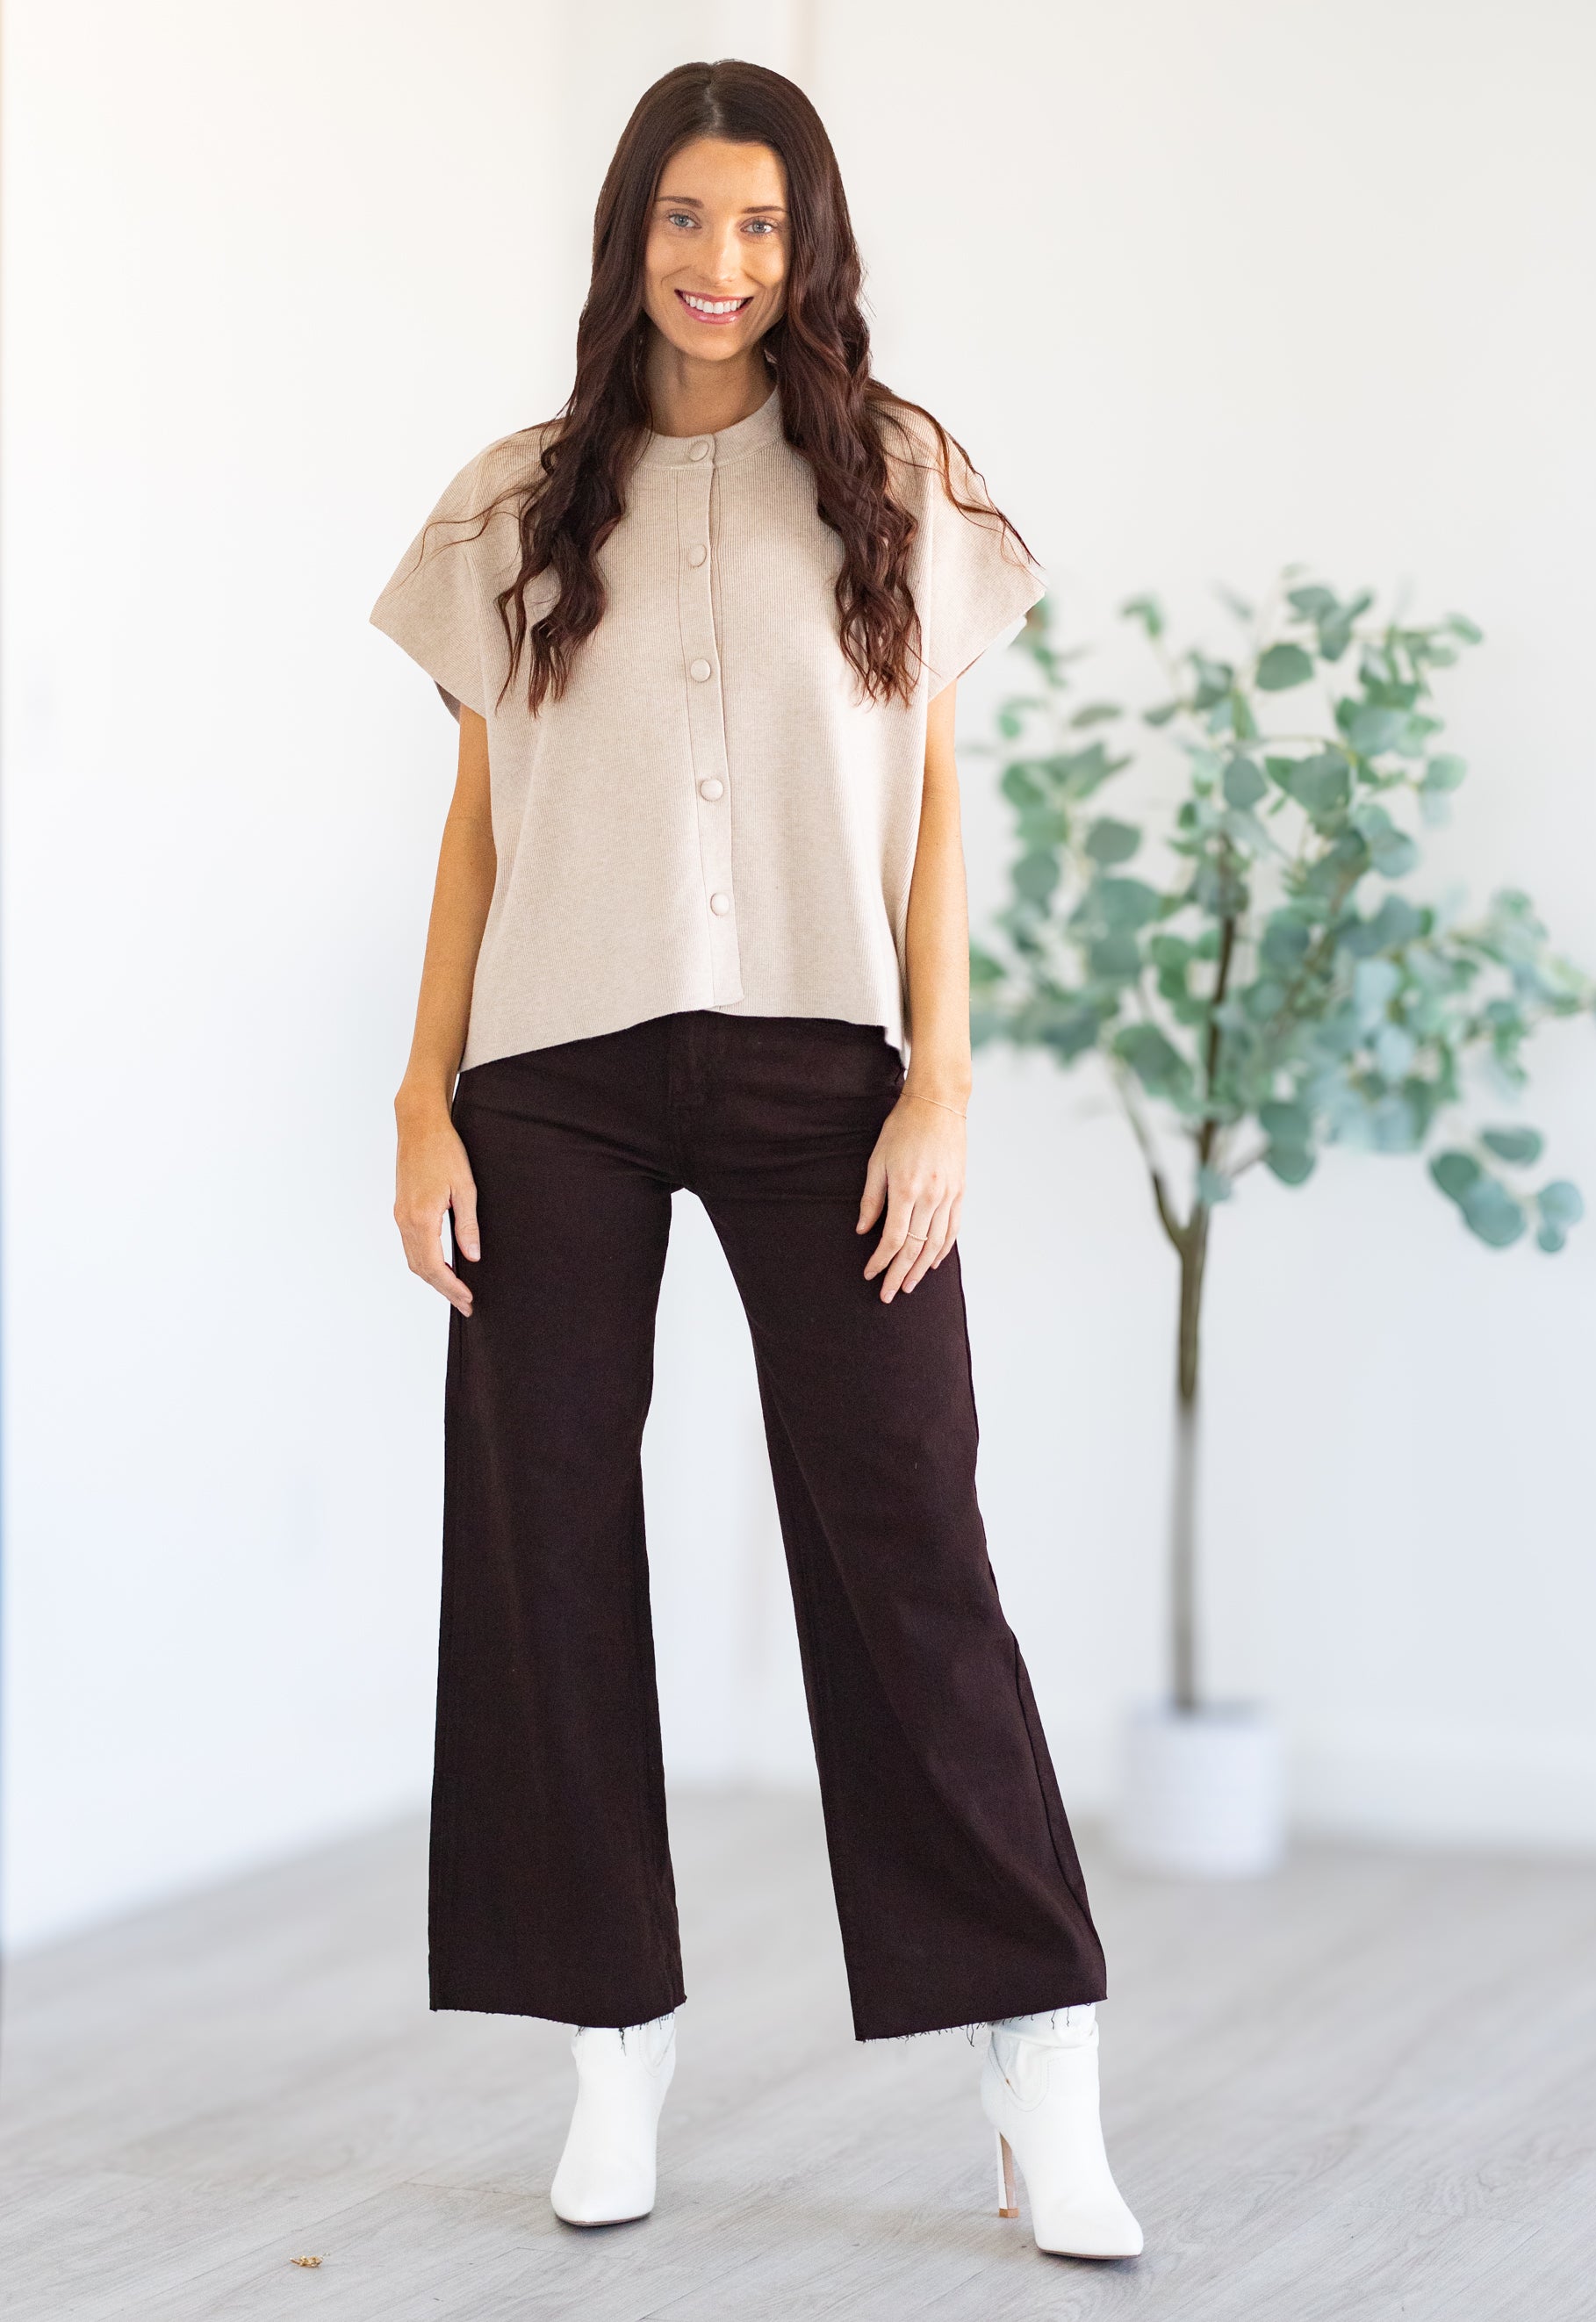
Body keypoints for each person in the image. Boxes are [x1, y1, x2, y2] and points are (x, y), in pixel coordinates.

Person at [372, 57, 1141, 2264]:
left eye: (763, 226)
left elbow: (935, 805)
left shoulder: (898, 479)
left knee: (910, 1544)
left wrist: (944, 1086)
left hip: (828, 1070)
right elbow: (477, 828)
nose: (722, 265)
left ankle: (1040, 2071)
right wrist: (421, 1101)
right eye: (687, 221)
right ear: (632, 233)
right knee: (543, 1550)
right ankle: (611, 2044)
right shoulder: (515, 503)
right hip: (553, 1081)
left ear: (811, 247)